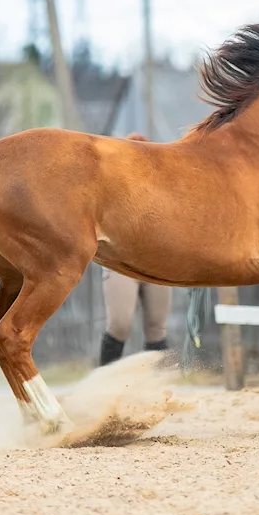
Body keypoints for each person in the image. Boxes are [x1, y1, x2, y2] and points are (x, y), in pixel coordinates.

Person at [98, 132, 173, 366]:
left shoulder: (163, 188)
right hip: (123, 263)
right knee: (120, 325)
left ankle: (157, 389)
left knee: (157, 328)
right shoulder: (112, 187)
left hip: (156, 263)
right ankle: (105, 383)